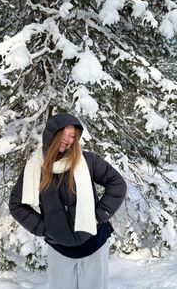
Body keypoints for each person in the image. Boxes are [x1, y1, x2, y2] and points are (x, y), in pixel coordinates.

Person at [9, 113, 127, 289]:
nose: (68, 140)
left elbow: (117, 184)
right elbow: (16, 205)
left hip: (94, 242)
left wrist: (98, 216)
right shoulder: (35, 168)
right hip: (60, 250)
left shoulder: (87, 161)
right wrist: (45, 228)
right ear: (51, 135)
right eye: (63, 134)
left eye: (72, 135)